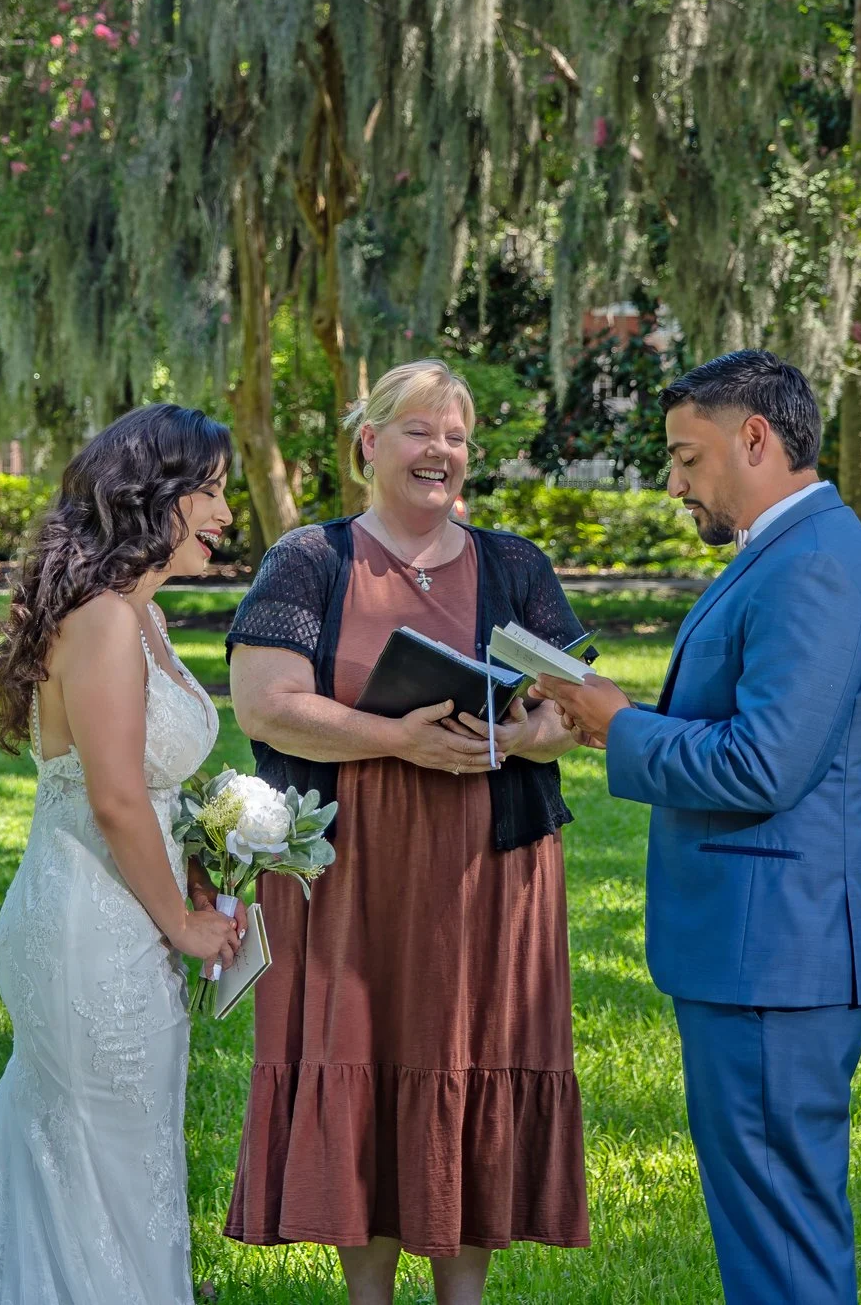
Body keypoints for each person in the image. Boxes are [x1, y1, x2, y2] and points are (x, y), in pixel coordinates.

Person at [530, 350, 861, 1305]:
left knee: (782, 1245)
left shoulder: (815, 564)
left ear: (756, 438)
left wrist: (617, 721)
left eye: (686, 458)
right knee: (770, 1233)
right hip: (766, 951)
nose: (674, 482)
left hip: (777, 958)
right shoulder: (793, 552)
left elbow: (763, 764)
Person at [225, 360, 591, 1305]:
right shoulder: (310, 559)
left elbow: (580, 708)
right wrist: (398, 740)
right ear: (369, 444)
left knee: (462, 1059)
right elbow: (266, 708)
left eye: (457, 436)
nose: (442, 452)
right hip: (355, 871)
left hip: (487, 872)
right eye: (422, 431)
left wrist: (524, 732)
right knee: (372, 1056)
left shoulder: (516, 566)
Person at [0, 404, 245, 1305]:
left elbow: (145, 793)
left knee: (114, 1168)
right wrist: (187, 925)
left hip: (125, 913)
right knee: (96, 1170)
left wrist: (206, 846)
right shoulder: (108, 620)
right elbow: (116, 797)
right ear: (152, 495)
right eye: (210, 490)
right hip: (94, 926)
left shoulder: (144, 618)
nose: (226, 513)